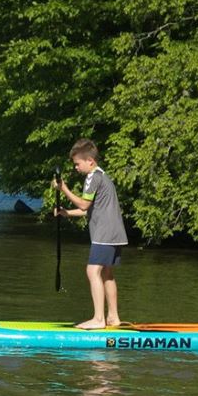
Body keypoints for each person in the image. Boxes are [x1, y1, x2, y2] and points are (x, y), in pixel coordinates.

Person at [53, 138, 129, 329]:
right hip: (116, 233)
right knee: (107, 274)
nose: (76, 167)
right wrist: (66, 213)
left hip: (105, 233)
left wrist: (63, 189)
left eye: (78, 164)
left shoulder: (93, 177)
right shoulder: (103, 176)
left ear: (90, 161)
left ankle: (98, 319)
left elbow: (84, 204)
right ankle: (113, 318)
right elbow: (89, 210)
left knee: (92, 270)